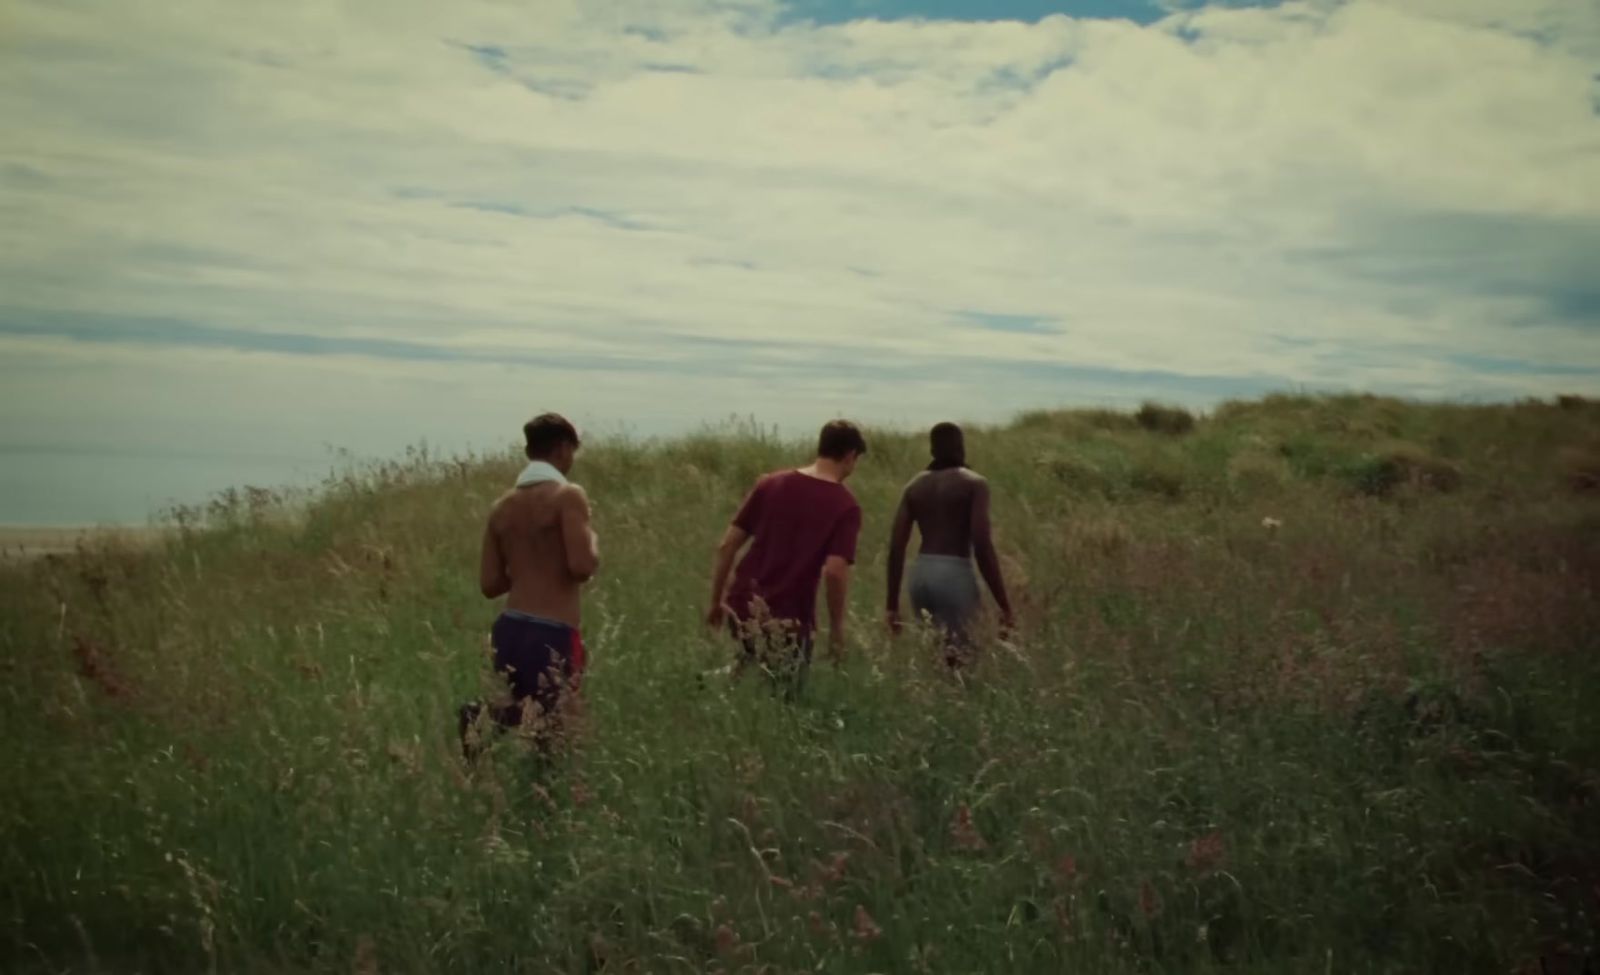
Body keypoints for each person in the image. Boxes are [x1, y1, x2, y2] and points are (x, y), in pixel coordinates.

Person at [461, 412, 600, 756]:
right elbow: (582, 566)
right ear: (564, 449)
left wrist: (528, 569)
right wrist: (593, 540)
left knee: (527, 713)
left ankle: (482, 719)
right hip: (553, 631)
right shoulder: (568, 497)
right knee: (560, 731)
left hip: (509, 629)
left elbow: (490, 584)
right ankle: (551, 802)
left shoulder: (501, 508)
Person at [706, 420, 867, 695]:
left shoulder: (771, 483)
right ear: (850, 456)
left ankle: (709, 692)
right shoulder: (845, 505)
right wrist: (837, 629)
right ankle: (713, 691)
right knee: (786, 697)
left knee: (746, 667)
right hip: (789, 617)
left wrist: (716, 602)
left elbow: (727, 546)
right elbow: (835, 571)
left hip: (742, 603)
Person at [886, 422, 1013, 667]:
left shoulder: (914, 486)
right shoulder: (975, 484)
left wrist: (891, 605)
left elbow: (896, 546)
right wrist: (1004, 604)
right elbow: (981, 542)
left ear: (932, 451)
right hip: (953, 574)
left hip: (920, 576)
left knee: (936, 656)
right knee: (963, 662)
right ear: (961, 448)